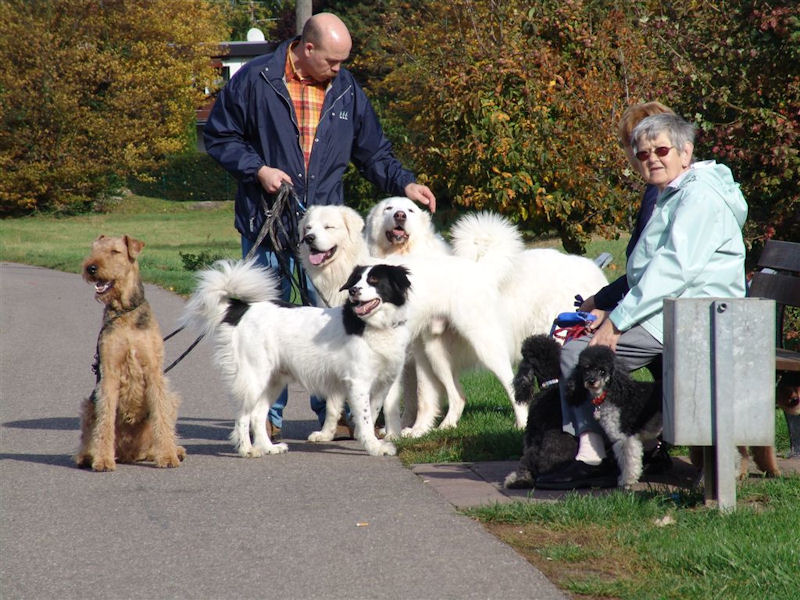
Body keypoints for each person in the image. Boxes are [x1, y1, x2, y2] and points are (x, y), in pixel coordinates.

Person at [203, 12, 436, 437]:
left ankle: (337, 415)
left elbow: (373, 152)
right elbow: (220, 136)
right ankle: (266, 421)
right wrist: (258, 170)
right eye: (332, 60)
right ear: (307, 48)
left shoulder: (346, 90)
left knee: (329, 322)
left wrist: (404, 181)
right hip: (268, 221)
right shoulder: (256, 79)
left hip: (326, 236)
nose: (339, 69)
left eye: (343, 61)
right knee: (269, 325)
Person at [536, 112, 748, 490]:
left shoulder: (698, 197)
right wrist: (607, 308)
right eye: (643, 152)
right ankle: (635, 443)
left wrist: (617, 322)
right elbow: (648, 273)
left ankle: (594, 455)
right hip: (673, 311)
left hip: (695, 317)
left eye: (661, 150)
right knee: (583, 341)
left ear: (686, 152)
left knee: (579, 352)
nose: (651, 158)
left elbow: (673, 271)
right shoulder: (677, 191)